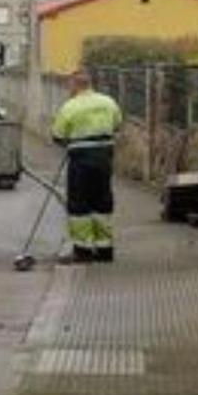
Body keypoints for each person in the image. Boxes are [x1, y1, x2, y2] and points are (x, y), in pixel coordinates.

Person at [51, 70, 123, 264]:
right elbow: (117, 125)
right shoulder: (108, 102)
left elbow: (57, 135)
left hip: (80, 160)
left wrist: (70, 142)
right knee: (102, 200)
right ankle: (104, 249)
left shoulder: (70, 106)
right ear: (90, 84)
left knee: (79, 202)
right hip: (103, 159)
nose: (69, 89)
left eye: (69, 86)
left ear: (74, 85)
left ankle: (83, 250)